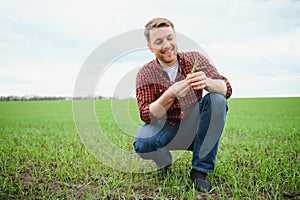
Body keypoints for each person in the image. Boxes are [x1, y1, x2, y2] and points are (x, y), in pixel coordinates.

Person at [133, 17, 232, 192]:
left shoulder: (194, 59)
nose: (167, 45)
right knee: (142, 142)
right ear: (150, 47)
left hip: (194, 126)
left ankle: (199, 172)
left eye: (170, 38)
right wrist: (170, 95)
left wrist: (206, 81)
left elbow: (226, 88)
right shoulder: (146, 73)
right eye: (158, 41)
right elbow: (146, 115)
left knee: (217, 99)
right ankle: (164, 162)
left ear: (176, 38)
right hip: (166, 128)